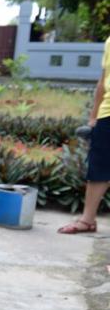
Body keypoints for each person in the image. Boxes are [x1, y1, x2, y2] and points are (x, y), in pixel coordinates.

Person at [58, 34, 110, 234]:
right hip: (108, 112)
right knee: (98, 165)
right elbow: (103, 81)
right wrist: (94, 117)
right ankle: (88, 220)